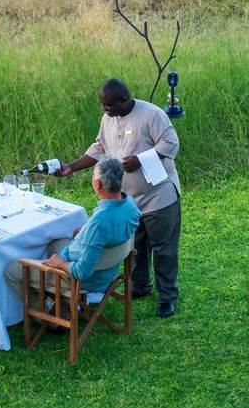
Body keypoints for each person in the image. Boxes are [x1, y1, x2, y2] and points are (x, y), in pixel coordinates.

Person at [56, 79, 181, 318]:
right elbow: (100, 147)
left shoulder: (151, 115)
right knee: (137, 244)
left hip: (159, 197)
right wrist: (72, 167)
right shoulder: (108, 119)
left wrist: (141, 159)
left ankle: (167, 297)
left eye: (108, 105)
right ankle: (141, 285)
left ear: (124, 99)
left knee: (164, 248)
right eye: (102, 105)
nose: (104, 110)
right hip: (130, 200)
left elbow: (171, 143)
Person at [4, 155, 140, 314]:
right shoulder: (130, 204)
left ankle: (50, 318)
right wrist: (85, 231)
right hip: (108, 270)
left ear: (97, 183)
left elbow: (82, 271)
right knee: (56, 242)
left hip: (85, 280)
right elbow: (110, 232)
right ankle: (66, 304)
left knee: (12, 270)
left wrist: (60, 263)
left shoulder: (100, 223)